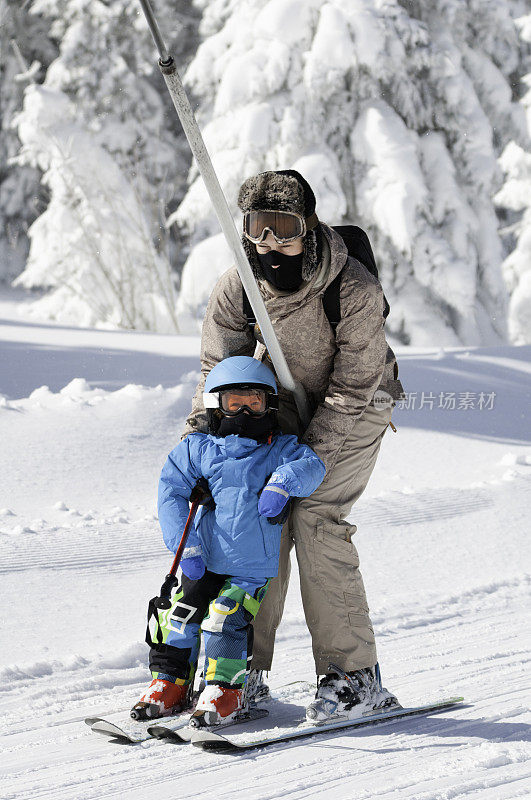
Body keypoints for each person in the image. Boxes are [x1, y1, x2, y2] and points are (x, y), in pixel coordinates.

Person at [182, 170, 404, 722]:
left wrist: (309, 458)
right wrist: (197, 451)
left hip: (359, 403)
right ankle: (237, 671)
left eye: (284, 228)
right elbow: (220, 372)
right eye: (258, 228)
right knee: (250, 514)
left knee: (314, 513)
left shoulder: (352, 288)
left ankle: (353, 677)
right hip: (280, 400)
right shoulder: (241, 284)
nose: (270, 243)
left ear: (307, 225)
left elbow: (354, 387)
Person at [133, 356, 325, 726]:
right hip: (201, 557)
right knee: (178, 615)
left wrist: (283, 482)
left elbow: (311, 465)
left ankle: (225, 690)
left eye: (254, 403)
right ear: (215, 408)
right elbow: (170, 491)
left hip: (251, 568)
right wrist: (184, 544)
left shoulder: (280, 448)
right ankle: (170, 682)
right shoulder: (198, 449)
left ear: (268, 405)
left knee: (223, 619)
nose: (244, 412)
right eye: (233, 403)